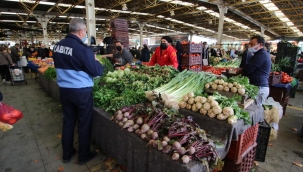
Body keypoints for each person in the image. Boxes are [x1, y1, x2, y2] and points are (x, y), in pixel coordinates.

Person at [53, 18, 104, 165]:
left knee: (68, 121)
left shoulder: (57, 46)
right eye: (86, 32)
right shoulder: (83, 49)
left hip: (64, 90)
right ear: (81, 31)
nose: (85, 34)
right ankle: (83, 155)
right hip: (81, 92)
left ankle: (67, 154)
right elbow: (96, 72)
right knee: (84, 123)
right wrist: (97, 62)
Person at [236, 35, 271, 106]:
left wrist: (240, 70)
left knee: (254, 110)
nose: (250, 46)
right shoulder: (259, 54)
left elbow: (247, 70)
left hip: (259, 88)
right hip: (258, 87)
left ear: (260, 45)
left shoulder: (261, 55)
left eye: (252, 44)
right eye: (249, 44)